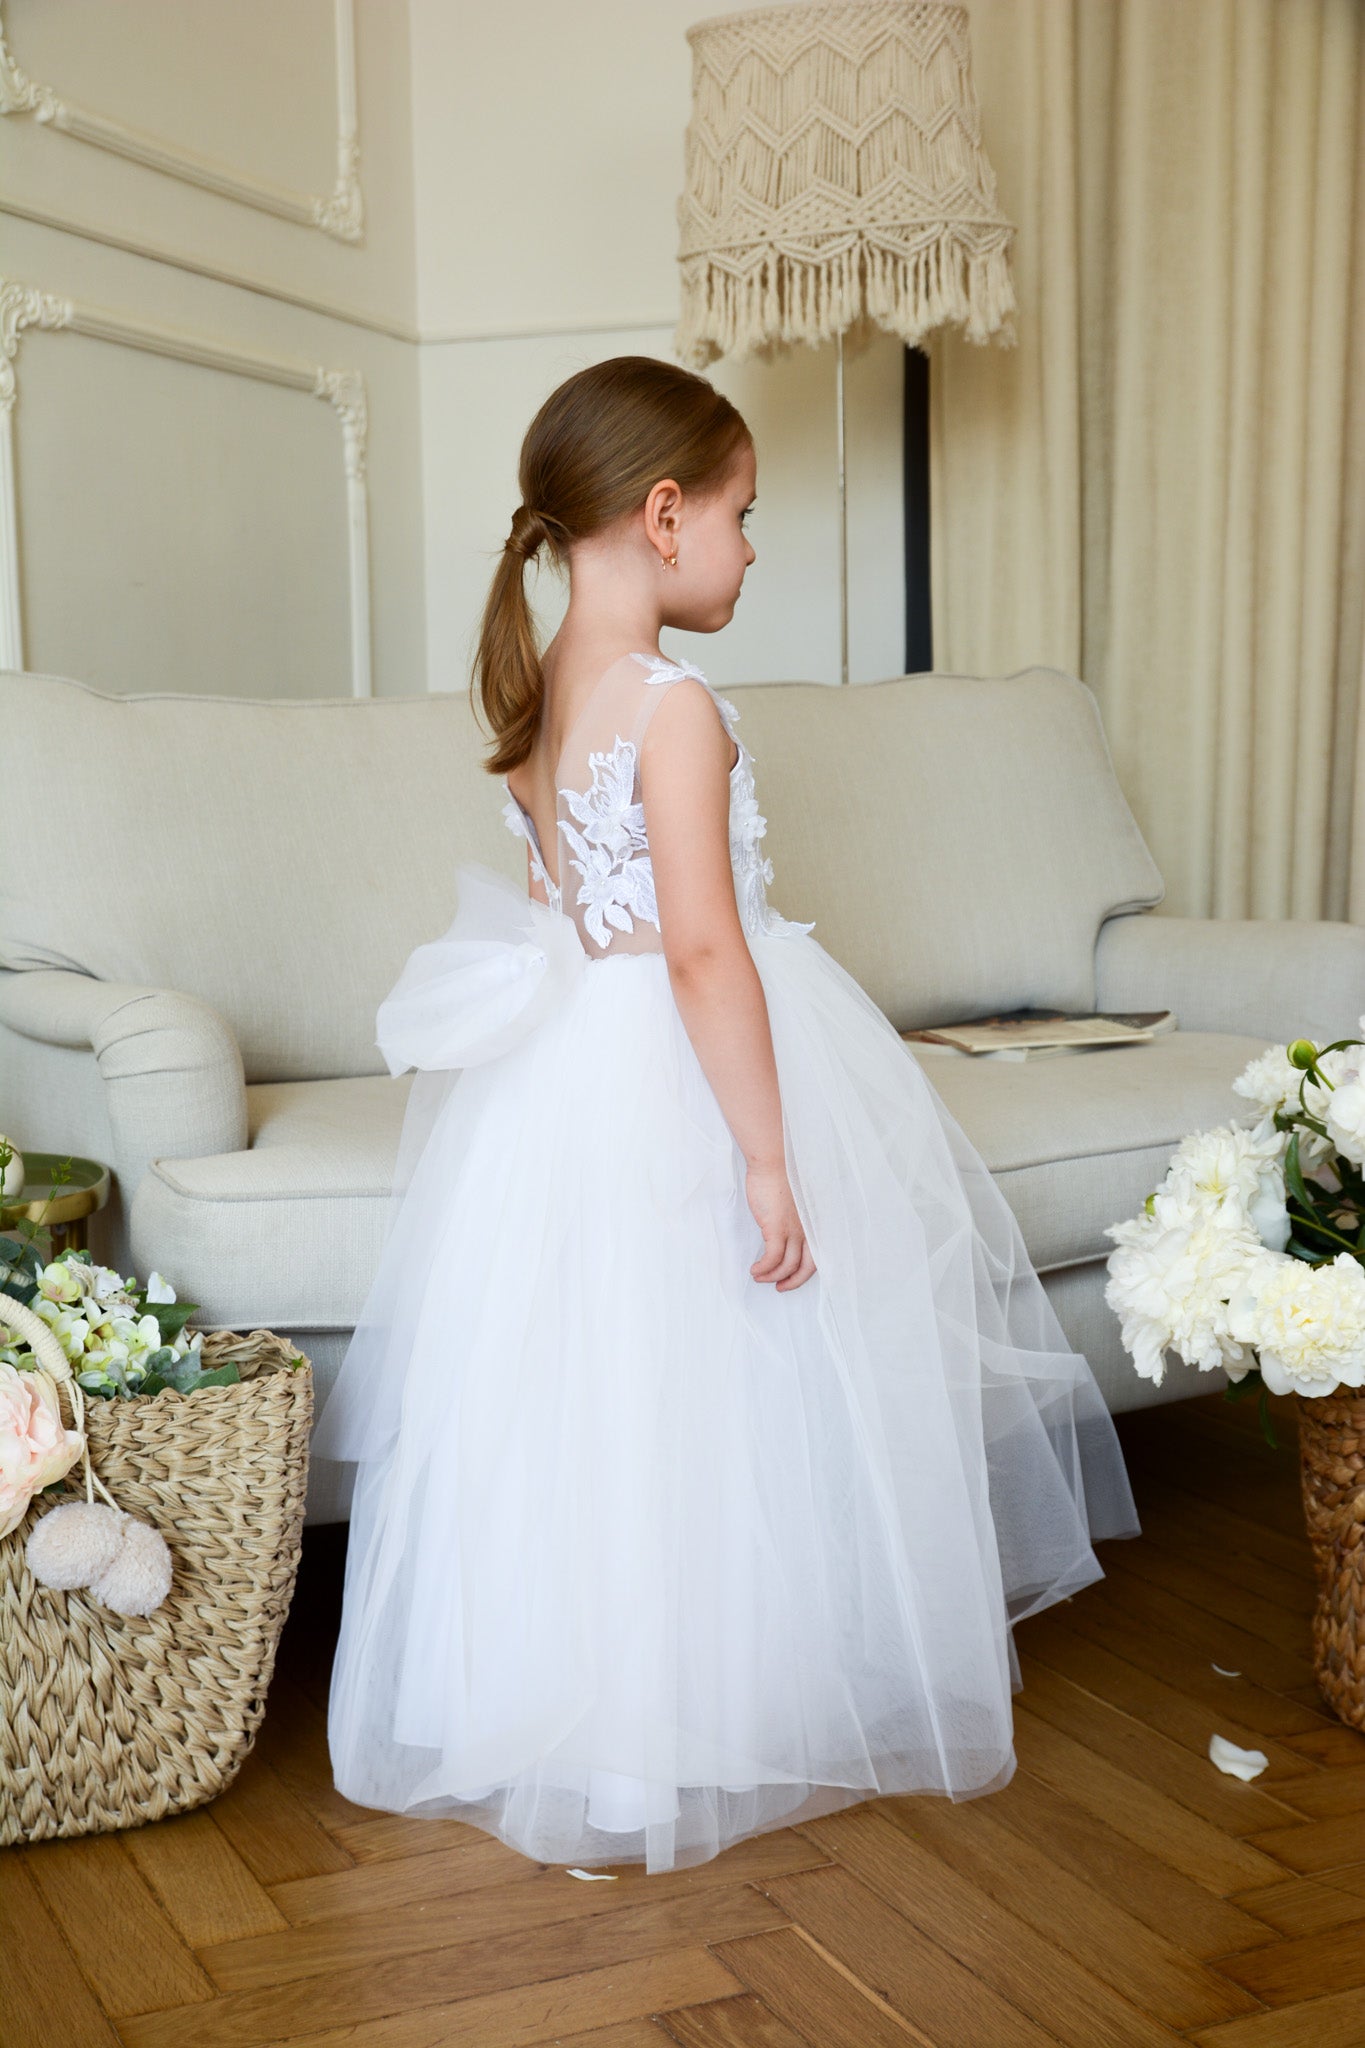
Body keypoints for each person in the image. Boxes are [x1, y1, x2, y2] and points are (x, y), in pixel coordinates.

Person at [310, 354, 1141, 1876]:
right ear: (665, 510)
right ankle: (710, 1700)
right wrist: (767, 1156)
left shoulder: (546, 684)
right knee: (722, 1381)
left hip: (565, 1080)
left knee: (596, 1402)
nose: (756, 549)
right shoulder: (674, 706)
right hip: (676, 1078)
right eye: (745, 516)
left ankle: (578, 1701)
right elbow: (702, 948)